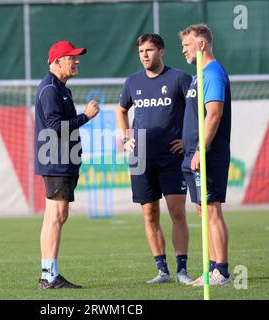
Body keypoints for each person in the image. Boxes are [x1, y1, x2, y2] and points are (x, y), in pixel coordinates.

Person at [116, 34, 193, 285]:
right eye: (141, 51)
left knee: (177, 211)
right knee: (149, 213)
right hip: (140, 157)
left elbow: (198, 110)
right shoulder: (132, 82)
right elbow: (121, 109)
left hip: (172, 157)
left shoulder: (180, 78)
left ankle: (182, 269)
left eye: (149, 50)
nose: (145, 55)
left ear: (161, 51)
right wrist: (125, 137)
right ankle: (162, 270)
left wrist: (187, 140)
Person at [35, 40, 100, 289]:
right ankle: (49, 275)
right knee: (55, 217)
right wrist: (86, 116)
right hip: (55, 161)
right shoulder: (50, 88)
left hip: (63, 161)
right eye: (72, 57)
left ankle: (49, 273)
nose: (77, 61)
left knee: (56, 216)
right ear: (57, 61)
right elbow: (54, 128)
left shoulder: (61, 88)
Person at [179, 24, 232, 286]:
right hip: (191, 154)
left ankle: (221, 271)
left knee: (212, 210)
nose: (183, 50)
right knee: (202, 211)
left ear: (201, 44)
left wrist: (201, 149)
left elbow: (214, 113)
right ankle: (212, 269)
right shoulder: (197, 75)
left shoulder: (212, 72)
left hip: (207, 155)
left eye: (187, 45)